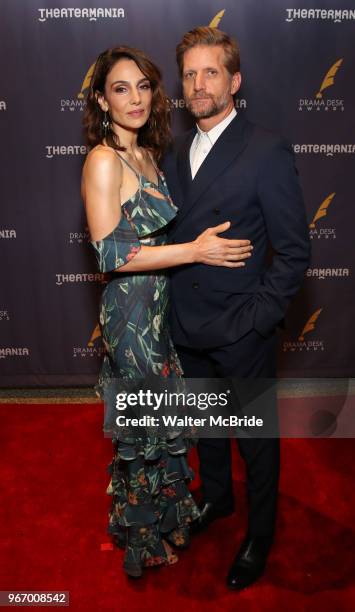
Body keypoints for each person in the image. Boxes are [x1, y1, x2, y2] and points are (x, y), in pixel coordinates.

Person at [81, 45, 253, 578]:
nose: (134, 98)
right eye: (119, 88)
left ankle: (166, 519)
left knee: (164, 426)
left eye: (143, 86)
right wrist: (195, 251)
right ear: (101, 101)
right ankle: (142, 540)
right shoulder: (104, 159)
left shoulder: (149, 154)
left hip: (160, 307)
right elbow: (109, 251)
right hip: (131, 315)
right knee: (144, 433)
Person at [162, 27, 311, 590]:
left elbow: (295, 249)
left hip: (241, 330)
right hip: (187, 324)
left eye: (211, 72)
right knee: (206, 429)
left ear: (235, 80)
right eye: (190, 74)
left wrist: (259, 318)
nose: (199, 85)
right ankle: (217, 503)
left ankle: (261, 533)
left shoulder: (265, 147)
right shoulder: (174, 150)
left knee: (255, 438)